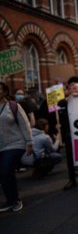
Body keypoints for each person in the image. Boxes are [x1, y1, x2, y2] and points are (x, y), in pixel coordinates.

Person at [0, 82, 33, 212]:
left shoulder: (13, 106)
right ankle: (11, 199)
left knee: (5, 169)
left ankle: (14, 200)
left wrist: (29, 142)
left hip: (15, 144)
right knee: (4, 174)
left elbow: (25, 124)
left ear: (5, 92)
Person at [58, 76, 78, 190]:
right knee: (70, 158)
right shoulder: (63, 103)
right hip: (69, 134)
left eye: (75, 85)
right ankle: (72, 179)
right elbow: (59, 116)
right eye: (71, 85)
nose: (73, 87)